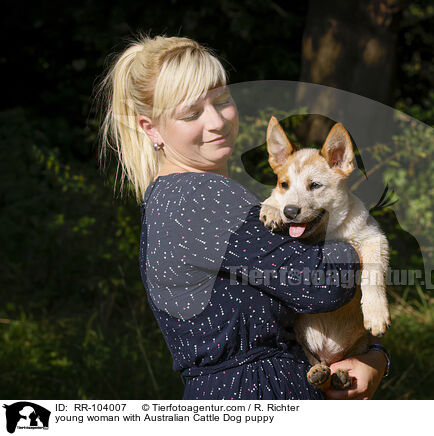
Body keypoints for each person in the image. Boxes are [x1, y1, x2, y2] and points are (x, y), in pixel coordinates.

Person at [96, 34, 389, 400]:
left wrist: (373, 357)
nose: (217, 122)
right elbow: (324, 284)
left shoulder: (171, 197)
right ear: (150, 128)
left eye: (222, 101)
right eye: (192, 113)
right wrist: (361, 245)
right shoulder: (199, 197)